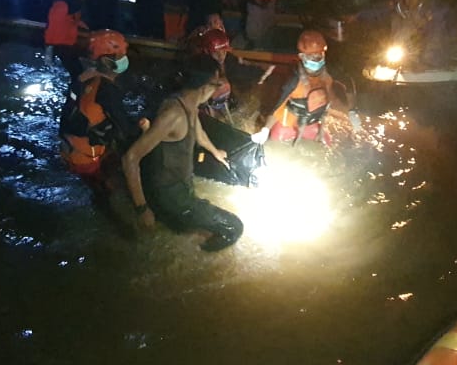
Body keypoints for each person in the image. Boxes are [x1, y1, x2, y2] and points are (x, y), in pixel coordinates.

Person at [121, 54, 245, 250]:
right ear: (205, 87)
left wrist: (214, 151)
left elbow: (198, 131)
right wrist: (141, 209)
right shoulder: (173, 115)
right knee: (234, 227)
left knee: (181, 227)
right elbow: (130, 158)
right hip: (172, 197)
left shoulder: (188, 102)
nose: (218, 89)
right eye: (216, 85)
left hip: (180, 187)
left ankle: (179, 231)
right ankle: (200, 256)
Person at [251, 30, 356, 147]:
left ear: (324, 54)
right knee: (275, 143)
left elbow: (344, 85)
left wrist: (352, 112)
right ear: (302, 56)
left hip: (311, 125)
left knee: (327, 144)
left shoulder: (327, 76)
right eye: (312, 56)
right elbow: (277, 109)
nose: (316, 59)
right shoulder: (294, 81)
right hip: (287, 127)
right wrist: (265, 130)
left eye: (319, 55)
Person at [59, 30, 138, 178]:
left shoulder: (84, 77)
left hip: (69, 149)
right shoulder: (107, 91)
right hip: (86, 161)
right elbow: (126, 129)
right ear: (107, 61)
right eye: (121, 56)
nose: (124, 59)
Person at [389, 0, 457, 69]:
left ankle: (432, 62)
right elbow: (399, 33)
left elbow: (436, 33)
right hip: (420, 37)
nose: (409, 0)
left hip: (442, 37)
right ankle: (409, 61)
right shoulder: (402, 11)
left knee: (434, 39)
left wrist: (427, 60)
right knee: (403, 33)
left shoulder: (433, 10)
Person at [44, 0, 90, 77]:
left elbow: (73, 19)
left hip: (69, 42)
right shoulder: (62, 4)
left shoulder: (75, 2)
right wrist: (49, 48)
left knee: (76, 71)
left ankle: (73, 90)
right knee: (77, 72)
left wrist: (87, 28)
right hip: (60, 44)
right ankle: (74, 91)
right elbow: (52, 26)